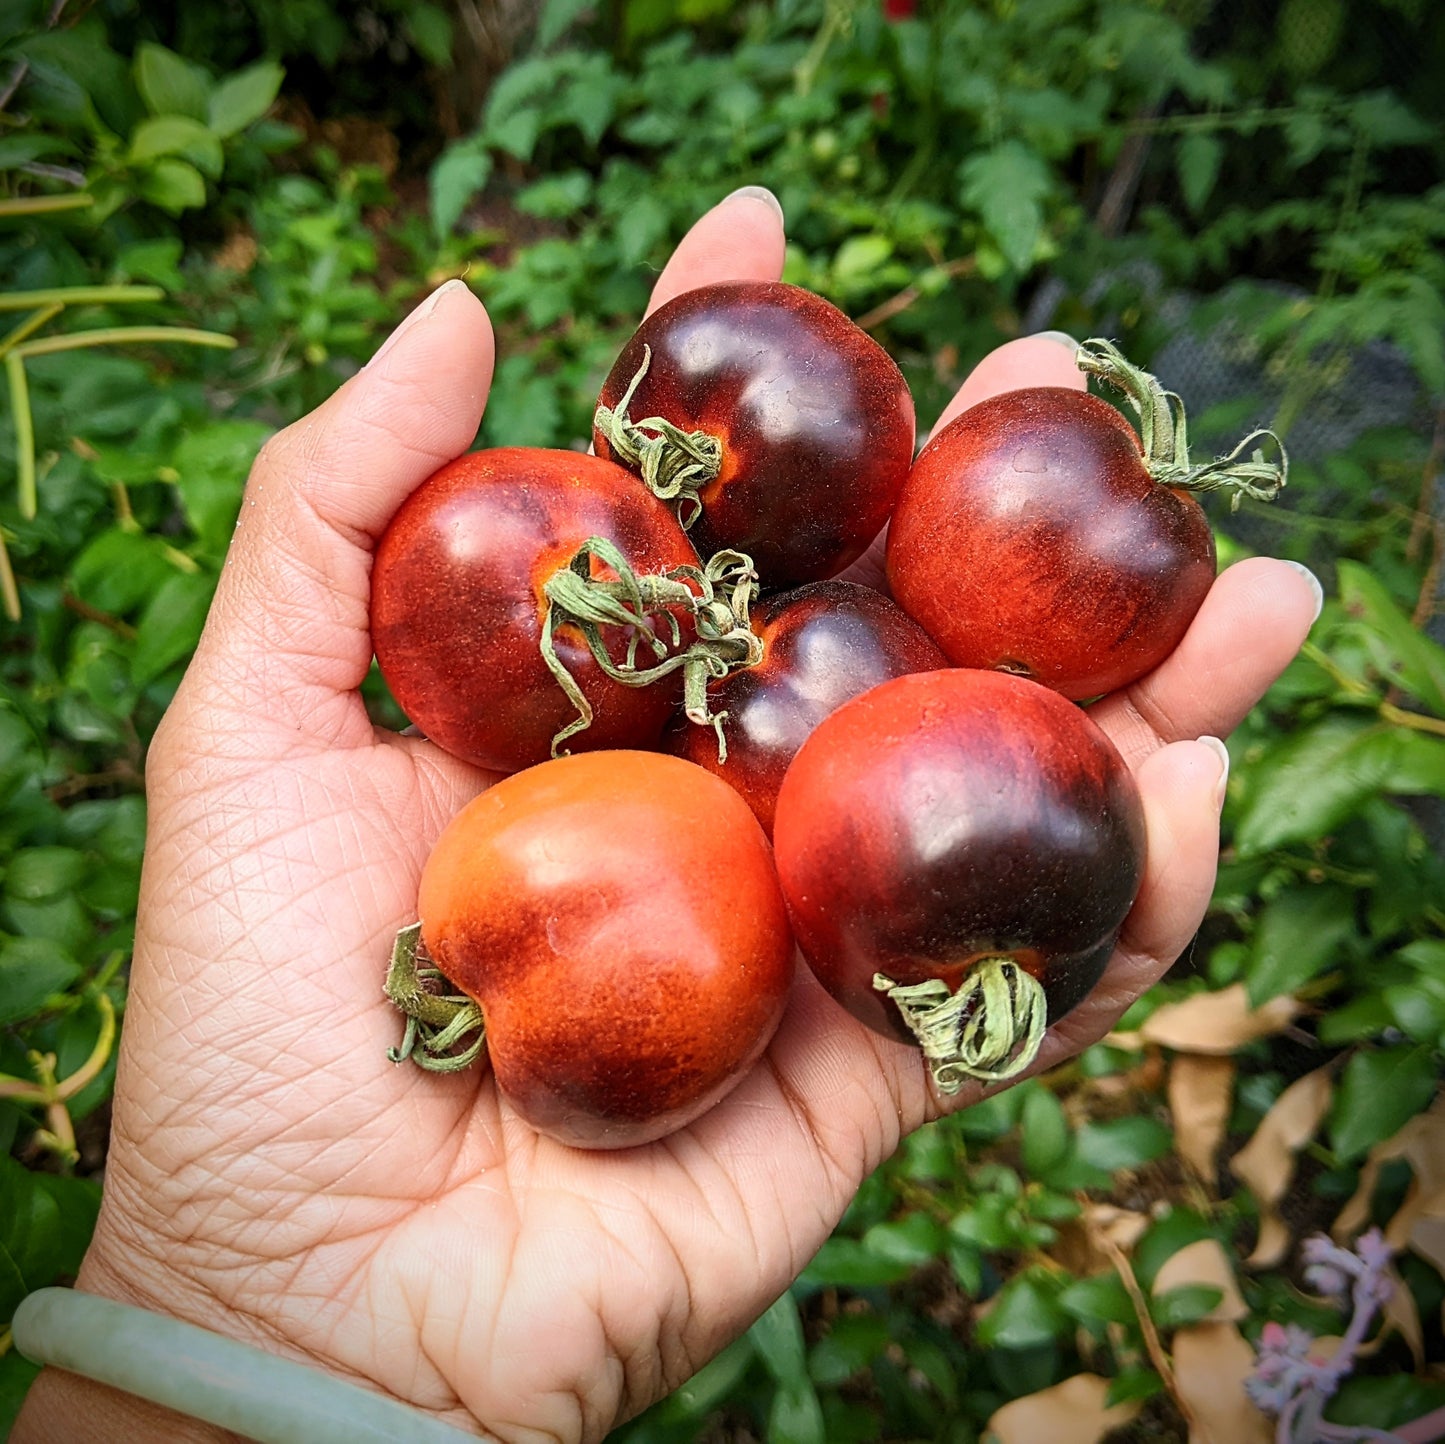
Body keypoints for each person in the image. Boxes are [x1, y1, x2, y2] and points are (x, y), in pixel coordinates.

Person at [13, 187, 1322, 1443]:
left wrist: (237, 1326)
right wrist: (250, 1315)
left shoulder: (854, 821)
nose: (667, 486)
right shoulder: (693, 749)